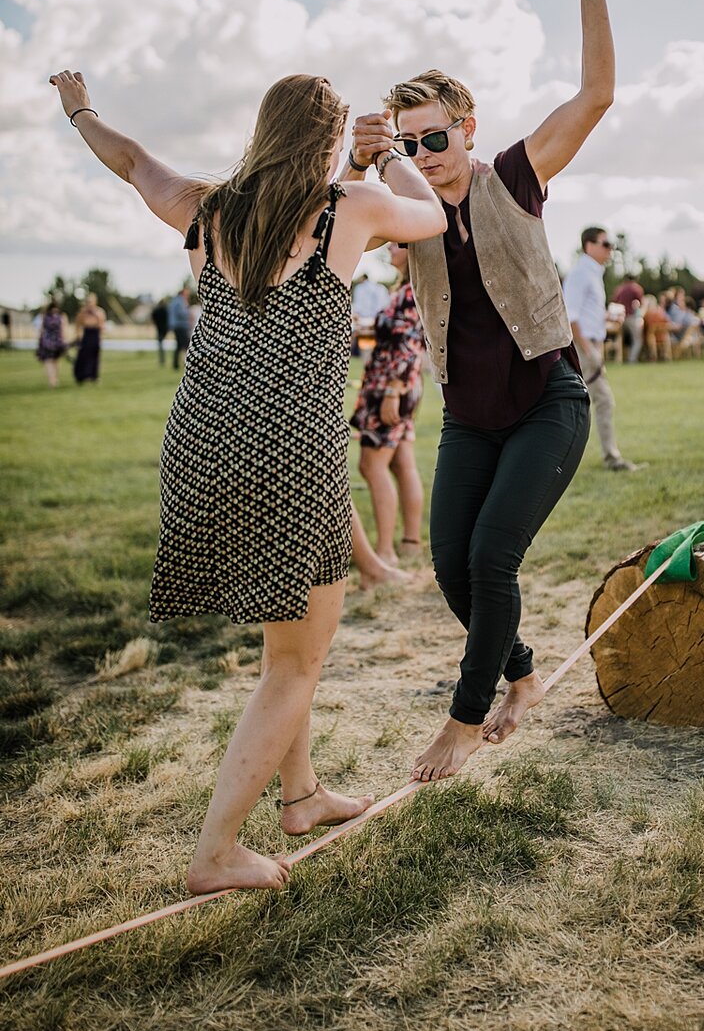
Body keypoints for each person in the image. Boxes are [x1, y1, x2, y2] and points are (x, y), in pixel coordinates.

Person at [48, 67, 445, 894]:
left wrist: (80, 111)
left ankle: (299, 796)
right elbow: (433, 216)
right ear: (329, 140)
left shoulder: (209, 207)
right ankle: (216, 852)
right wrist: (396, 153)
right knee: (296, 662)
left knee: (283, 645)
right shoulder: (349, 207)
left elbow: (130, 161)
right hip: (287, 458)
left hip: (198, 445)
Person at [350, 0, 617, 784]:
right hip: (469, 417)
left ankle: (461, 726)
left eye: (437, 137)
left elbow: (594, 100)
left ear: (466, 126)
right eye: (411, 143)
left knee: (492, 558)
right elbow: (341, 217)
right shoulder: (403, 204)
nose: (426, 154)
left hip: (547, 404)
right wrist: (356, 161)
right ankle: (524, 677)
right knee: (453, 572)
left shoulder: (514, 174)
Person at [350, 243, 426, 565]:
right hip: (399, 385)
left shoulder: (411, 292)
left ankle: (384, 553)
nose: (390, 248)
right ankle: (410, 542)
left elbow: (410, 344)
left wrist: (394, 389)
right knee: (401, 463)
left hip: (390, 387)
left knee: (372, 465)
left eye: (398, 244)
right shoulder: (410, 288)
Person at [564, 228, 638, 471]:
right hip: (584, 348)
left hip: (591, 345)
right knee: (598, 402)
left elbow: (585, 313)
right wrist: (589, 350)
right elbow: (571, 314)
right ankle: (611, 458)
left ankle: (607, 457)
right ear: (589, 245)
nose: (610, 249)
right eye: (605, 244)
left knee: (584, 404)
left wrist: (607, 317)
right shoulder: (581, 273)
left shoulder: (592, 273)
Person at [73, 292, 106, 383]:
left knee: (94, 356)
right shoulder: (83, 312)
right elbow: (78, 324)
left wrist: (101, 337)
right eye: (88, 302)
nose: (89, 304)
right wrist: (78, 336)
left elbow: (102, 325)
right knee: (84, 355)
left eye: (91, 302)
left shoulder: (99, 312)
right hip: (87, 334)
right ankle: (82, 376)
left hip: (95, 334)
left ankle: (93, 376)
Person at [612, 273, 644, 363]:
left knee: (620, 338)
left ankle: (618, 358)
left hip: (620, 318)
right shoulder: (636, 288)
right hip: (631, 317)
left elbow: (614, 301)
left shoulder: (619, 289)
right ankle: (632, 359)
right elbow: (641, 303)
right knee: (637, 339)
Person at [35, 299, 67, 387]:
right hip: (57, 341)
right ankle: (55, 379)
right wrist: (64, 341)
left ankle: (52, 380)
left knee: (49, 361)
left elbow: (41, 330)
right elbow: (63, 330)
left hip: (47, 342)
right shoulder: (61, 316)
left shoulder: (45, 316)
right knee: (55, 361)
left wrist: (40, 341)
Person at [167, 286, 193, 370]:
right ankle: (188, 362)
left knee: (178, 345)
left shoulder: (174, 301)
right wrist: (189, 314)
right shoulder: (180, 301)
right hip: (181, 326)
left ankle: (176, 364)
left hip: (177, 326)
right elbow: (181, 313)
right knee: (186, 345)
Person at [151, 297, 170, 365]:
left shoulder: (157, 310)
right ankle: (162, 360)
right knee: (162, 345)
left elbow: (153, 317)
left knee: (161, 345)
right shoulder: (166, 310)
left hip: (159, 329)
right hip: (164, 329)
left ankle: (162, 360)